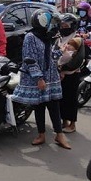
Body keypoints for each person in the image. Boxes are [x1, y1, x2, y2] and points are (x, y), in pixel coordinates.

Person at [12, 9, 70, 149]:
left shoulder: (47, 37)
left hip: (51, 76)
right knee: (39, 106)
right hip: (38, 77)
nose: (53, 25)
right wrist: (38, 78)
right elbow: (29, 59)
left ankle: (59, 134)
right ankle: (41, 134)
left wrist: (60, 51)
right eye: (50, 22)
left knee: (54, 105)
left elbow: (50, 57)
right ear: (43, 22)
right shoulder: (30, 37)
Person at [57, 14, 83, 134]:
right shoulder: (60, 38)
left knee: (71, 99)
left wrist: (64, 68)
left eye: (66, 25)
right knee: (62, 99)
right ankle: (64, 121)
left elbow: (78, 60)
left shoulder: (77, 38)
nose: (63, 27)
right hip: (60, 73)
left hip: (72, 73)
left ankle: (72, 124)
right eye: (62, 25)